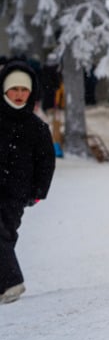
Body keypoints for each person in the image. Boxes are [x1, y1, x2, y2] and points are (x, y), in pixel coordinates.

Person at [1, 61, 56, 304]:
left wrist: (38, 191)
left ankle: (9, 282)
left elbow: (46, 163)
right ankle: (11, 282)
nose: (20, 95)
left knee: (6, 235)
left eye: (24, 90)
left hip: (17, 192)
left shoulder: (36, 127)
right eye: (15, 90)